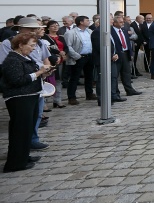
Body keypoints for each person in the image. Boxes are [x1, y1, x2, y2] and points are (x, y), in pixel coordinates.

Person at [2, 33, 52, 172]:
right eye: (31, 45)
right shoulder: (12, 59)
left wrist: (43, 73)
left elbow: (31, 74)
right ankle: (16, 163)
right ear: (20, 45)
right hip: (19, 98)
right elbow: (17, 80)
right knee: (20, 131)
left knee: (27, 130)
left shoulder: (24, 57)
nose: (33, 49)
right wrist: (38, 73)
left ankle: (24, 156)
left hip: (30, 96)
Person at [64, 16, 95, 102]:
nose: (89, 22)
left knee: (89, 76)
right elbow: (68, 46)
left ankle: (89, 93)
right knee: (75, 77)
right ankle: (71, 97)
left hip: (89, 56)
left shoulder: (90, 31)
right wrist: (76, 56)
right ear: (81, 22)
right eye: (87, 20)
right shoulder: (71, 33)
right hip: (78, 57)